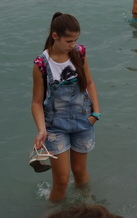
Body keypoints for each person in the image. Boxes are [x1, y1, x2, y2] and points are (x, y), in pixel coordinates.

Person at [31, 13, 101, 202]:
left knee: (80, 173)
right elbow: (37, 102)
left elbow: (90, 83)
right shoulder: (41, 64)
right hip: (55, 126)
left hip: (83, 120)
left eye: (76, 40)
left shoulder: (80, 53)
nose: (73, 45)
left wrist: (96, 113)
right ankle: (53, 213)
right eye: (69, 40)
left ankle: (85, 208)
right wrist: (41, 130)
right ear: (55, 36)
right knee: (61, 181)